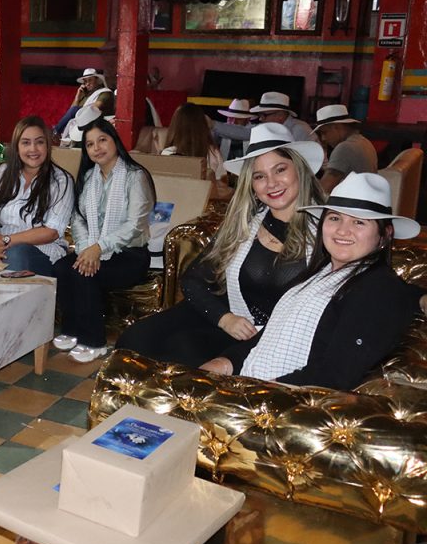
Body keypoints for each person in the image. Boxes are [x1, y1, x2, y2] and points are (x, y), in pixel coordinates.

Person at [116, 123, 326, 367]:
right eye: (259, 176)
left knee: (182, 356)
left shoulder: (328, 231)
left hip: (273, 337)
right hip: (223, 314)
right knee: (134, 341)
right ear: (251, 184)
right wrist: (224, 318)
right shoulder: (245, 223)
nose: (271, 183)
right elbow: (193, 280)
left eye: (280, 170)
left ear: (299, 169)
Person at [200, 173, 423, 390]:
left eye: (359, 222)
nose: (343, 230)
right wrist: (224, 363)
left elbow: (333, 376)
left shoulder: (378, 289)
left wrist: (255, 392)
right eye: (335, 218)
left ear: (384, 235)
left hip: (282, 403)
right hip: (250, 382)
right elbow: (271, 337)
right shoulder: (320, 272)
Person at [53, 118, 155, 362]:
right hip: (92, 248)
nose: (96, 148)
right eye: (90, 144)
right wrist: (86, 250)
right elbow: (78, 218)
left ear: (114, 141)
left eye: (102, 140)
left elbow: (135, 224)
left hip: (131, 255)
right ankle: (72, 330)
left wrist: (99, 248)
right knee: (62, 268)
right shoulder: (89, 178)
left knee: (84, 274)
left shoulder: (135, 176)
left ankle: (94, 341)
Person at [0, 115, 74, 277]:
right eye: (26, 143)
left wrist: (5, 239)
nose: (33, 149)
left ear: (48, 145)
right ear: (16, 147)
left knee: (15, 255)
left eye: (39, 142)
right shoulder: (1, 172)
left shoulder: (61, 181)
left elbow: (52, 232)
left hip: (40, 250)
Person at [315, 104, 378, 193]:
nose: (323, 138)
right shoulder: (365, 142)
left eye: (324, 132)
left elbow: (323, 190)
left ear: (337, 127)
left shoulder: (344, 148)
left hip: (354, 199)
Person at [161, 102, 227, 186]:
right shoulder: (213, 153)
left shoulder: (168, 153)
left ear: (175, 126)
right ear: (203, 125)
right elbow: (223, 183)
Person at [54, 68, 113, 139]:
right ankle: (57, 132)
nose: (87, 84)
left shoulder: (104, 92)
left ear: (97, 80)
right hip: (78, 121)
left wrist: (77, 111)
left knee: (75, 110)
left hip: (94, 120)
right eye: (85, 81)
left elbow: (95, 108)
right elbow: (71, 110)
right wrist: (77, 96)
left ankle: (56, 131)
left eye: (90, 80)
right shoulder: (84, 94)